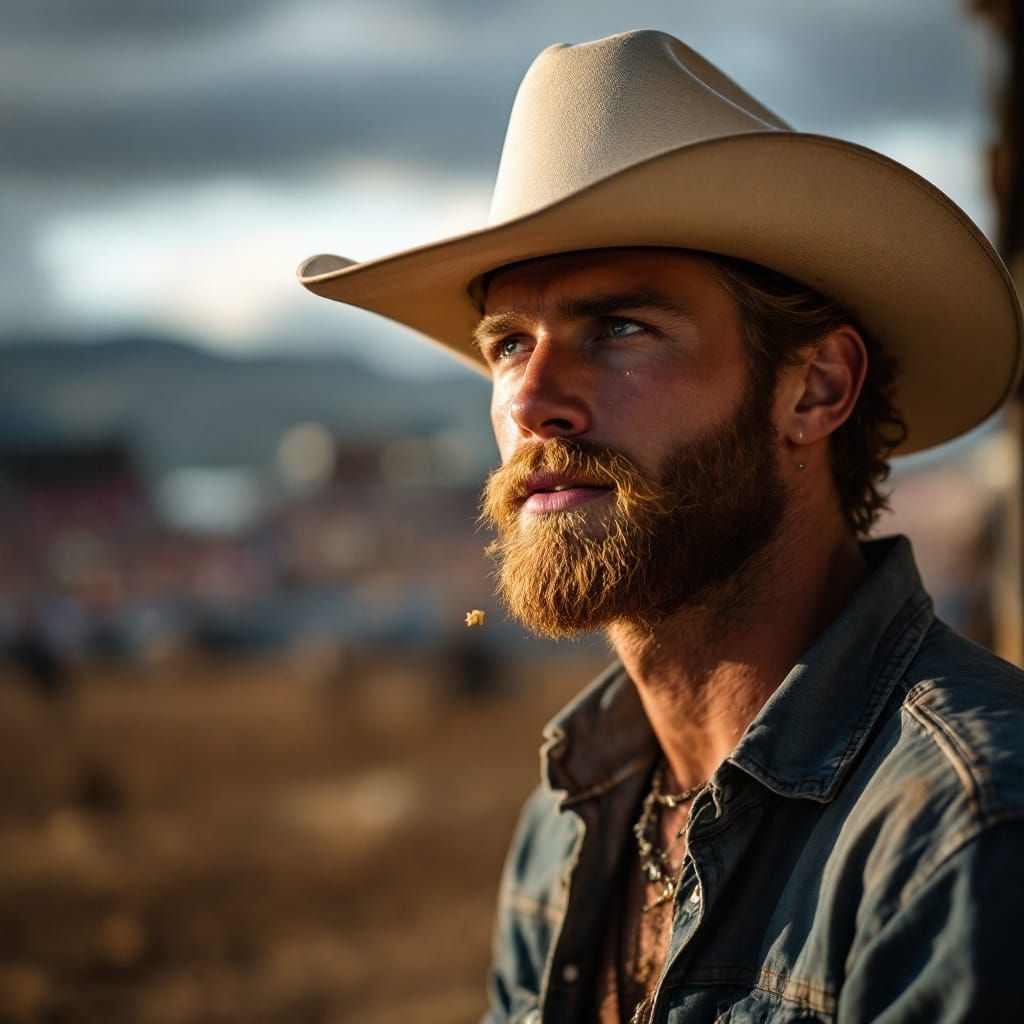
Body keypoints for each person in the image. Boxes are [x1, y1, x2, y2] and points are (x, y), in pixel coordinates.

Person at [298, 30, 1024, 1024]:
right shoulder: (570, 819)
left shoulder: (967, 825)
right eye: (508, 343)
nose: (533, 402)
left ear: (813, 389)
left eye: (619, 329)